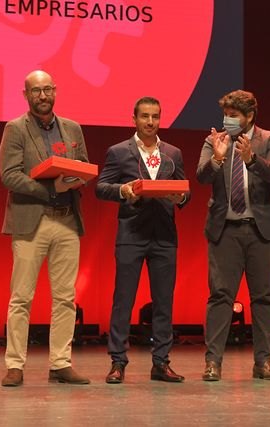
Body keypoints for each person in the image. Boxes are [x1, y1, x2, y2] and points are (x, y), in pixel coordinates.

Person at [0, 70, 90, 387]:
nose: (43, 96)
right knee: (21, 297)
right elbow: (9, 175)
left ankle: (60, 364)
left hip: (66, 219)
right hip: (31, 220)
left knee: (66, 298)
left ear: (56, 91)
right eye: (36, 91)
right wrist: (49, 190)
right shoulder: (15, 128)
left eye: (48, 89)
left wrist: (78, 179)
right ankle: (15, 365)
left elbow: (83, 168)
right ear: (25, 95)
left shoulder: (72, 128)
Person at [197, 90, 270, 381]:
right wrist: (216, 158)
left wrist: (251, 160)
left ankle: (262, 362)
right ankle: (213, 362)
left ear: (250, 116)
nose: (227, 121)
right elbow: (201, 176)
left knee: (264, 297)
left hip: (264, 230)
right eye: (225, 115)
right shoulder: (214, 141)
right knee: (220, 296)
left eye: (233, 116)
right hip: (225, 229)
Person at [96, 96, 190, 384]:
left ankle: (161, 363)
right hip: (131, 234)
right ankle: (117, 362)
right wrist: (123, 191)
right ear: (134, 119)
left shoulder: (173, 153)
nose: (150, 122)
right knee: (123, 300)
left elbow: (185, 191)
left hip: (164, 235)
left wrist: (181, 196)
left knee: (164, 302)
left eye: (155, 116)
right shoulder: (119, 151)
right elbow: (101, 187)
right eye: (145, 116)